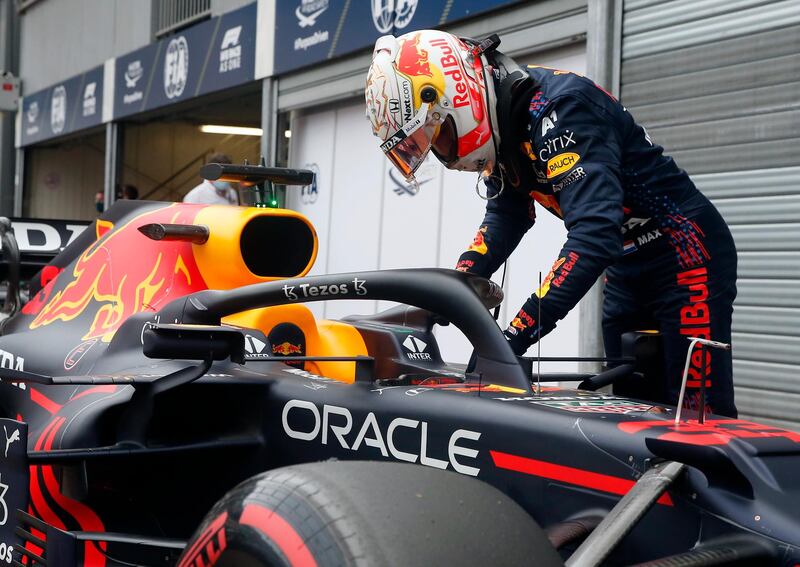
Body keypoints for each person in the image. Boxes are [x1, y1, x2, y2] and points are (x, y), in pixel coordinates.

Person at [365, 30, 738, 417]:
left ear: (454, 97)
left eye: (435, 134)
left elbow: (593, 239)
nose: (439, 150)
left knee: (698, 416)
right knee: (638, 411)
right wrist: (453, 289)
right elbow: (508, 216)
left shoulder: (559, 108)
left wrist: (513, 336)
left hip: (686, 255)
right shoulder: (502, 117)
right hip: (626, 268)